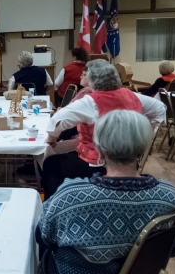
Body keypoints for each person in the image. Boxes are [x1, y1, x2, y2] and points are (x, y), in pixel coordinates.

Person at [35, 110, 175, 274]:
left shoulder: (71, 195)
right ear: (144, 148)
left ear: (98, 147)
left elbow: (42, 237)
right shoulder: (170, 198)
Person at [42, 60, 165, 200]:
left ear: (93, 79)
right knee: (64, 151)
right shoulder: (130, 94)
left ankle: (57, 204)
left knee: (50, 164)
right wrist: (146, 136)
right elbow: (159, 107)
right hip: (130, 160)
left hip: (98, 162)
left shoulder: (91, 101)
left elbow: (56, 121)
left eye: (85, 74)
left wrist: (51, 139)